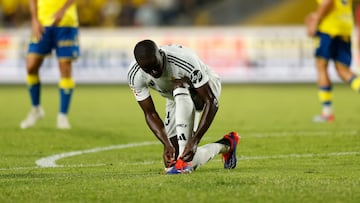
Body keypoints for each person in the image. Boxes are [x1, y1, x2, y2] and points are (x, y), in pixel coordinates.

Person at [127, 39, 240, 174]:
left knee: (180, 85)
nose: (154, 72)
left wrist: (195, 141)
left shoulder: (183, 60)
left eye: (155, 65)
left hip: (205, 87)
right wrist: (166, 144)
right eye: (148, 70)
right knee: (174, 162)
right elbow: (149, 113)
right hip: (174, 98)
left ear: (160, 54)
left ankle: (184, 162)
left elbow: (211, 102)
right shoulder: (135, 75)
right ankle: (227, 144)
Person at [20, 0, 80, 129]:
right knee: (31, 66)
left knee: (65, 66)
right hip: (42, 23)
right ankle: (36, 109)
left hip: (66, 22)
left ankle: (62, 116)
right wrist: (34, 20)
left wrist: (63, 9)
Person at [306, 0, 360, 123]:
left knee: (321, 66)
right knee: (343, 70)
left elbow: (327, 2)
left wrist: (315, 22)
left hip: (328, 28)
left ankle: (327, 113)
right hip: (345, 27)